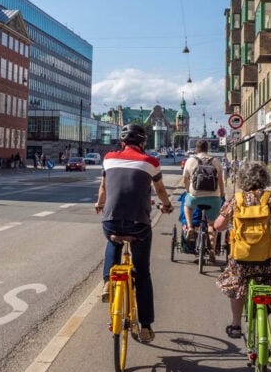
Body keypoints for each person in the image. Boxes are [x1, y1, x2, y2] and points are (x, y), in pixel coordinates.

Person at [95, 123, 173, 344]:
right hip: (138, 225)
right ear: (142, 142)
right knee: (143, 274)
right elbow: (160, 190)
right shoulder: (151, 162)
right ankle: (146, 326)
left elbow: (104, 188)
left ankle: (107, 281)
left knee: (113, 238)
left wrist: (100, 204)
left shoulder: (109, 158)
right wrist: (167, 206)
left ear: (122, 142)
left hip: (111, 221)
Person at [213, 160, 271, 356]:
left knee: (237, 286)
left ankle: (236, 324)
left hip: (243, 260)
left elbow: (218, 226)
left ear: (242, 179)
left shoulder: (236, 199)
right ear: (264, 178)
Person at [182, 139, 225, 264]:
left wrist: (188, 191)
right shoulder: (216, 161)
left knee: (187, 206)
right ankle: (212, 250)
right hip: (214, 198)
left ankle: (190, 227)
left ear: (196, 149)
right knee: (211, 226)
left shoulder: (190, 161)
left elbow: (185, 179)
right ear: (207, 149)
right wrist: (222, 194)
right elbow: (220, 181)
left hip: (195, 196)